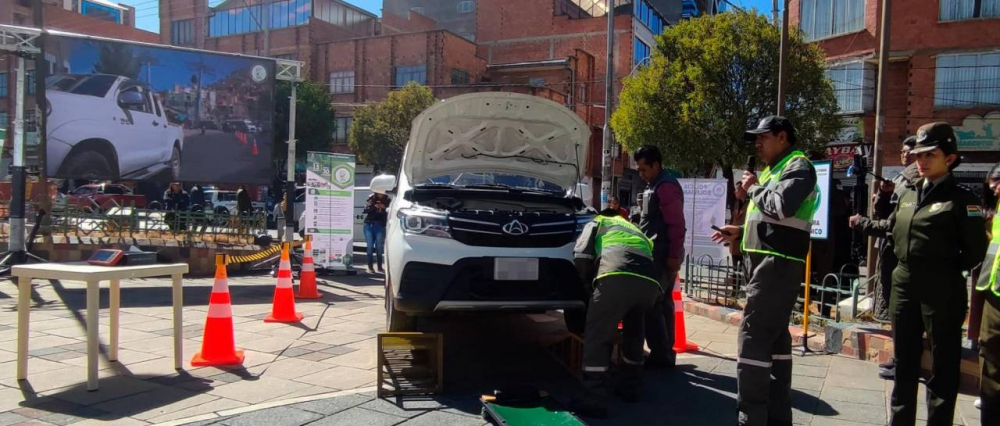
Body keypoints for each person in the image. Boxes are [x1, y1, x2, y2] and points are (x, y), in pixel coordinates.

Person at [849, 122, 985, 426]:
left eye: (929, 155)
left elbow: (975, 251)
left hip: (942, 289)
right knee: (905, 364)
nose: (920, 161)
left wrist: (942, 268)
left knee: (942, 367)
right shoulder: (908, 194)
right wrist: (862, 223)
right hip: (904, 284)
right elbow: (891, 228)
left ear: (949, 158)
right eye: (918, 154)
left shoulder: (963, 200)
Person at [711, 116, 819, 426]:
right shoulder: (774, 169)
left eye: (763, 137)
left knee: (753, 335)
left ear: (782, 136)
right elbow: (771, 219)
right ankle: (776, 417)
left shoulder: (798, 166)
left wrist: (754, 187)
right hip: (767, 261)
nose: (757, 144)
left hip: (777, 263)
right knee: (774, 340)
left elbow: (782, 207)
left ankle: (751, 417)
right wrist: (740, 230)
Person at [570, 208, 662, 418]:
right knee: (634, 334)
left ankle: (594, 399)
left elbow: (582, 255)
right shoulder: (634, 228)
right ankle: (631, 388)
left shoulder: (597, 222)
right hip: (649, 285)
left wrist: (588, 287)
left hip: (615, 278)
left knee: (597, 338)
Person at [853, 136, 919, 380]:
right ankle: (900, 358)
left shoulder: (915, 183)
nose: (905, 156)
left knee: (904, 309)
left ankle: (904, 359)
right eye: (902, 152)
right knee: (897, 308)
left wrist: (862, 223)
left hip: (902, 254)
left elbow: (893, 225)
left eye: (909, 153)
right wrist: (883, 193)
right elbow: (883, 212)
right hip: (892, 252)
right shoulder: (902, 180)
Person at [634, 145, 686, 369]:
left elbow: (676, 225)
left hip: (662, 254)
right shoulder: (654, 185)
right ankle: (664, 352)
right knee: (662, 302)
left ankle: (661, 354)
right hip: (657, 253)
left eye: (644, 169)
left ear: (656, 165)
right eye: (639, 169)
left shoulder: (665, 187)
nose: (641, 173)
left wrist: (673, 256)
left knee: (652, 303)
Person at [975, 162, 1000, 424]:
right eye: (993, 182)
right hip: (993, 292)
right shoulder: (993, 211)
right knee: (990, 356)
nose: (996, 187)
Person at [363, 192, 390, 273]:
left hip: (380, 225)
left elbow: (391, 212)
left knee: (379, 247)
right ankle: (370, 267)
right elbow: (365, 210)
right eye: (378, 193)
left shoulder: (388, 200)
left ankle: (380, 267)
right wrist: (374, 207)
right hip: (369, 225)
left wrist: (384, 207)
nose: (380, 195)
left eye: (381, 193)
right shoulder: (371, 198)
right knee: (370, 246)